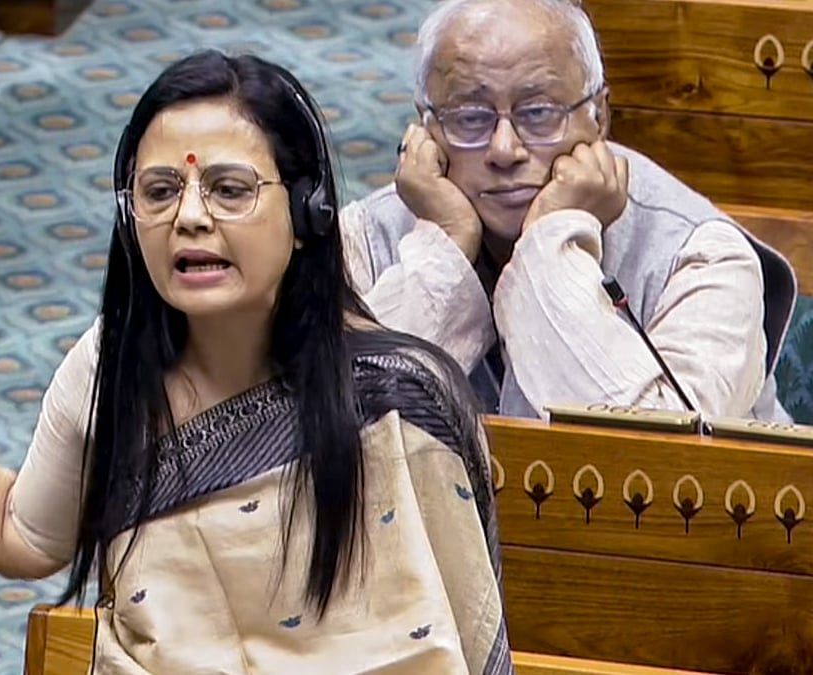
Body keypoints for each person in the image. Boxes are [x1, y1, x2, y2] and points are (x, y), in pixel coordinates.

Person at [0, 51, 512, 674]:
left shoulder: (398, 398)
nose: (189, 217)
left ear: (307, 212)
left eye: (229, 190)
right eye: (159, 193)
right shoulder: (112, 365)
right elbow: (20, 531)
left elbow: (456, 643)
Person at [340, 0, 797, 421]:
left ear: (600, 115)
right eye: (470, 117)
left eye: (539, 113)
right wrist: (446, 250)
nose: (505, 150)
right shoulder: (364, 236)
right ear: (425, 126)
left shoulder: (701, 256)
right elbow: (332, 436)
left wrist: (549, 250)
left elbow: (661, 459)